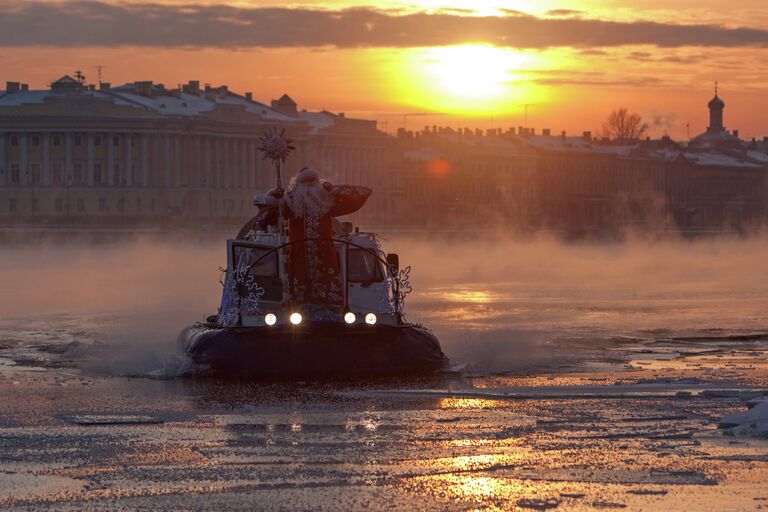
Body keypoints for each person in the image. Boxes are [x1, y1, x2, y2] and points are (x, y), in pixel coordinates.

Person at [256, 167, 371, 306]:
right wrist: (274, 197)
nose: (310, 187)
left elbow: (362, 193)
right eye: (306, 183)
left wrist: (332, 189)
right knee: (300, 292)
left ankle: (331, 308)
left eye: (313, 183)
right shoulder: (290, 202)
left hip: (324, 257)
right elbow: (265, 218)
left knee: (327, 289)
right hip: (299, 257)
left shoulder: (326, 200)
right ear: (298, 186)